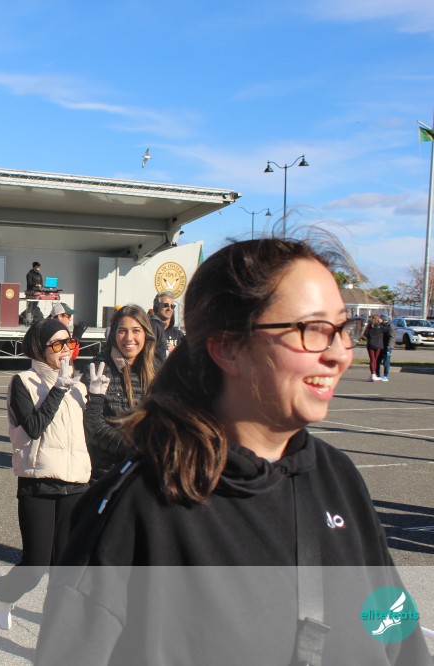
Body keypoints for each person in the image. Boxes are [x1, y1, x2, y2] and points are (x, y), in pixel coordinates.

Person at [35, 237, 432, 665]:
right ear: (227, 347)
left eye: (343, 329)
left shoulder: (337, 477)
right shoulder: (139, 506)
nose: (341, 355)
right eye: (313, 329)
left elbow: (397, 635)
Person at [0, 318, 90, 632]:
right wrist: (58, 389)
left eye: (68, 342)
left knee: (65, 567)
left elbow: (88, 434)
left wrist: (96, 399)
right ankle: (1, 592)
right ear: (39, 348)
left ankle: (57, 627)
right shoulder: (23, 382)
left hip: (76, 483)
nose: (64, 350)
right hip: (38, 482)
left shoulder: (79, 385)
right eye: (57, 344)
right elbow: (32, 428)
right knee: (36, 564)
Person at [84, 304, 160, 477]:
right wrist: (134, 447)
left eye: (136, 330)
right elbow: (91, 425)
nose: (129, 338)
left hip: (146, 471)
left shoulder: (157, 370)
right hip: (107, 472)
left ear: (146, 333)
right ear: (113, 334)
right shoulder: (99, 369)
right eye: (122, 331)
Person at [150, 291, 184, 360]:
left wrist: (175, 351)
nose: (169, 309)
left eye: (172, 306)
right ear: (156, 306)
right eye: (166, 305)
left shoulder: (178, 334)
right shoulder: (148, 329)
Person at [364, 314, 386, 382]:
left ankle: (373, 374)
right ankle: (373, 374)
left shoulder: (369, 326)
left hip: (370, 344)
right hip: (378, 344)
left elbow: (365, 334)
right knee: (375, 360)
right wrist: (382, 323)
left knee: (372, 360)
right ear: (378, 319)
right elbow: (387, 329)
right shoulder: (380, 327)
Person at [23, 261, 45, 326]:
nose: (39, 268)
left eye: (39, 267)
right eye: (38, 266)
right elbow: (29, 282)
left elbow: (41, 283)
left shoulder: (39, 274)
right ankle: (28, 320)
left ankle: (33, 319)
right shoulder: (29, 274)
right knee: (30, 306)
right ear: (34, 267)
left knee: (35, 306)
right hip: (31, 292)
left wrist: (41, 286)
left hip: (37, 293)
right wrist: (36, 284)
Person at [380, 313, 393, 382]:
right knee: (379, 360)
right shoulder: (381, 325)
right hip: (381, 345)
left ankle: (385, 375)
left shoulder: (390, 326)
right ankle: (377, 374)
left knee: (386, 360)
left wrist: (388, 347)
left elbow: (391, 338)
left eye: (381, 319)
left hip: (388, 347)